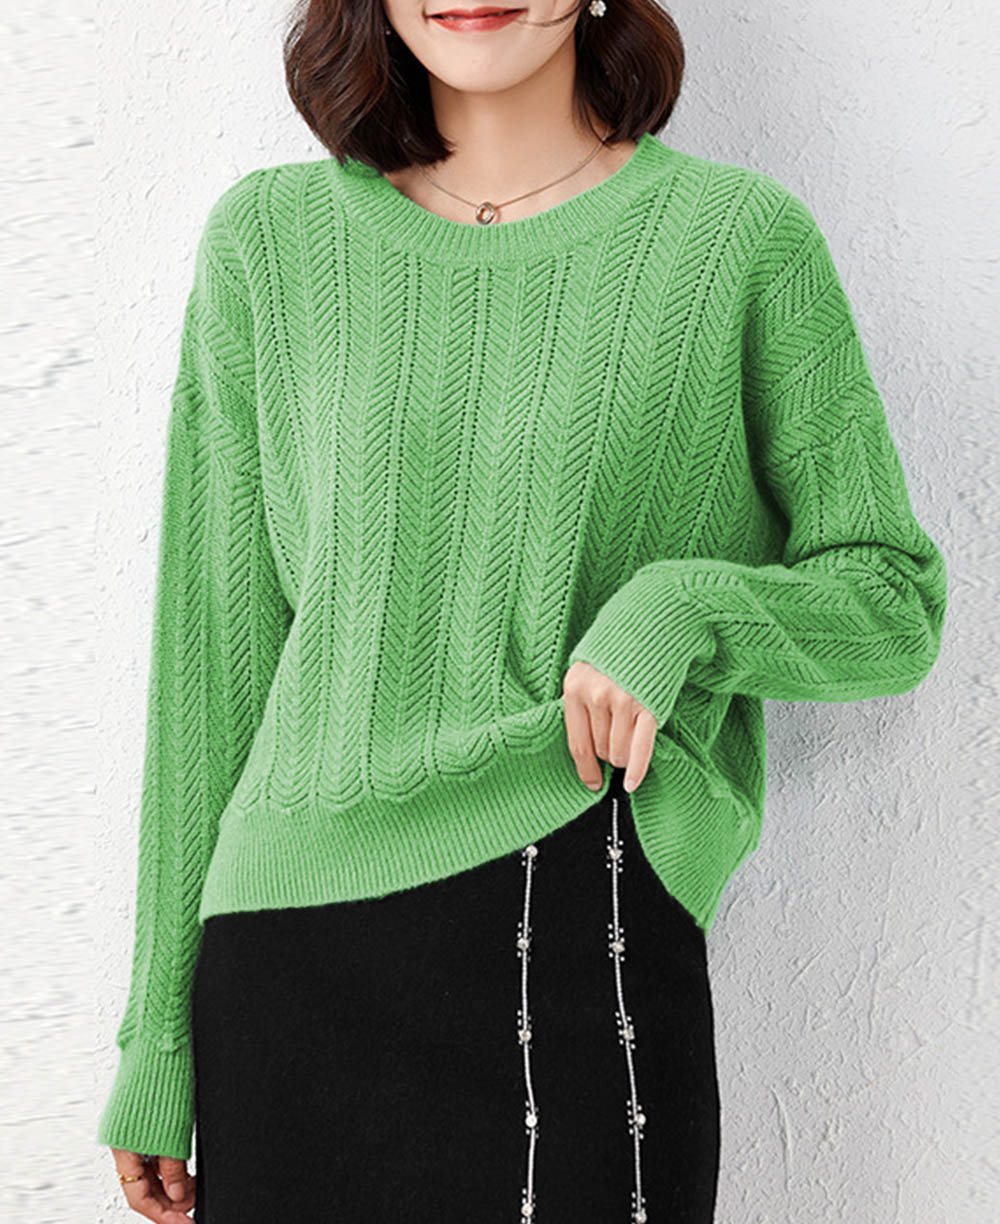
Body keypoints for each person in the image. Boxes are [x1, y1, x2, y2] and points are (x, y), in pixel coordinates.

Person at [97, 2, 949, 1221]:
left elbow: (890, 601)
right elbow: (212, 661)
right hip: (289, 967)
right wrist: (157, 1039)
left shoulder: (735, 243)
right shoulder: (268, 246)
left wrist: (680, 611)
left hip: (576, 913)